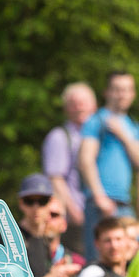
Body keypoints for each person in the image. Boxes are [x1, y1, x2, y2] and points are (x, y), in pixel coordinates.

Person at [79, 70, 139, 226]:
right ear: (107, 92)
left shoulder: (134, 126)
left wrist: (123, 135)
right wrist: (99, 197)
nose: (122, 95)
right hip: (100, 205)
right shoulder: (96, 121)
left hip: (125, 204)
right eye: (117, 89)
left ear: (133, 94)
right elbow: (85, 160)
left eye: (127, 90)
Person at [44, 81, 96, 247]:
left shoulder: (99, 136)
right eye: (73, 103)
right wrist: (74, 212)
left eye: (83, 102)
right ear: (66, 108)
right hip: (76, 218)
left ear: (94, 105)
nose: (79, 107)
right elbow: (55, 179)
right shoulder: (59, 137)